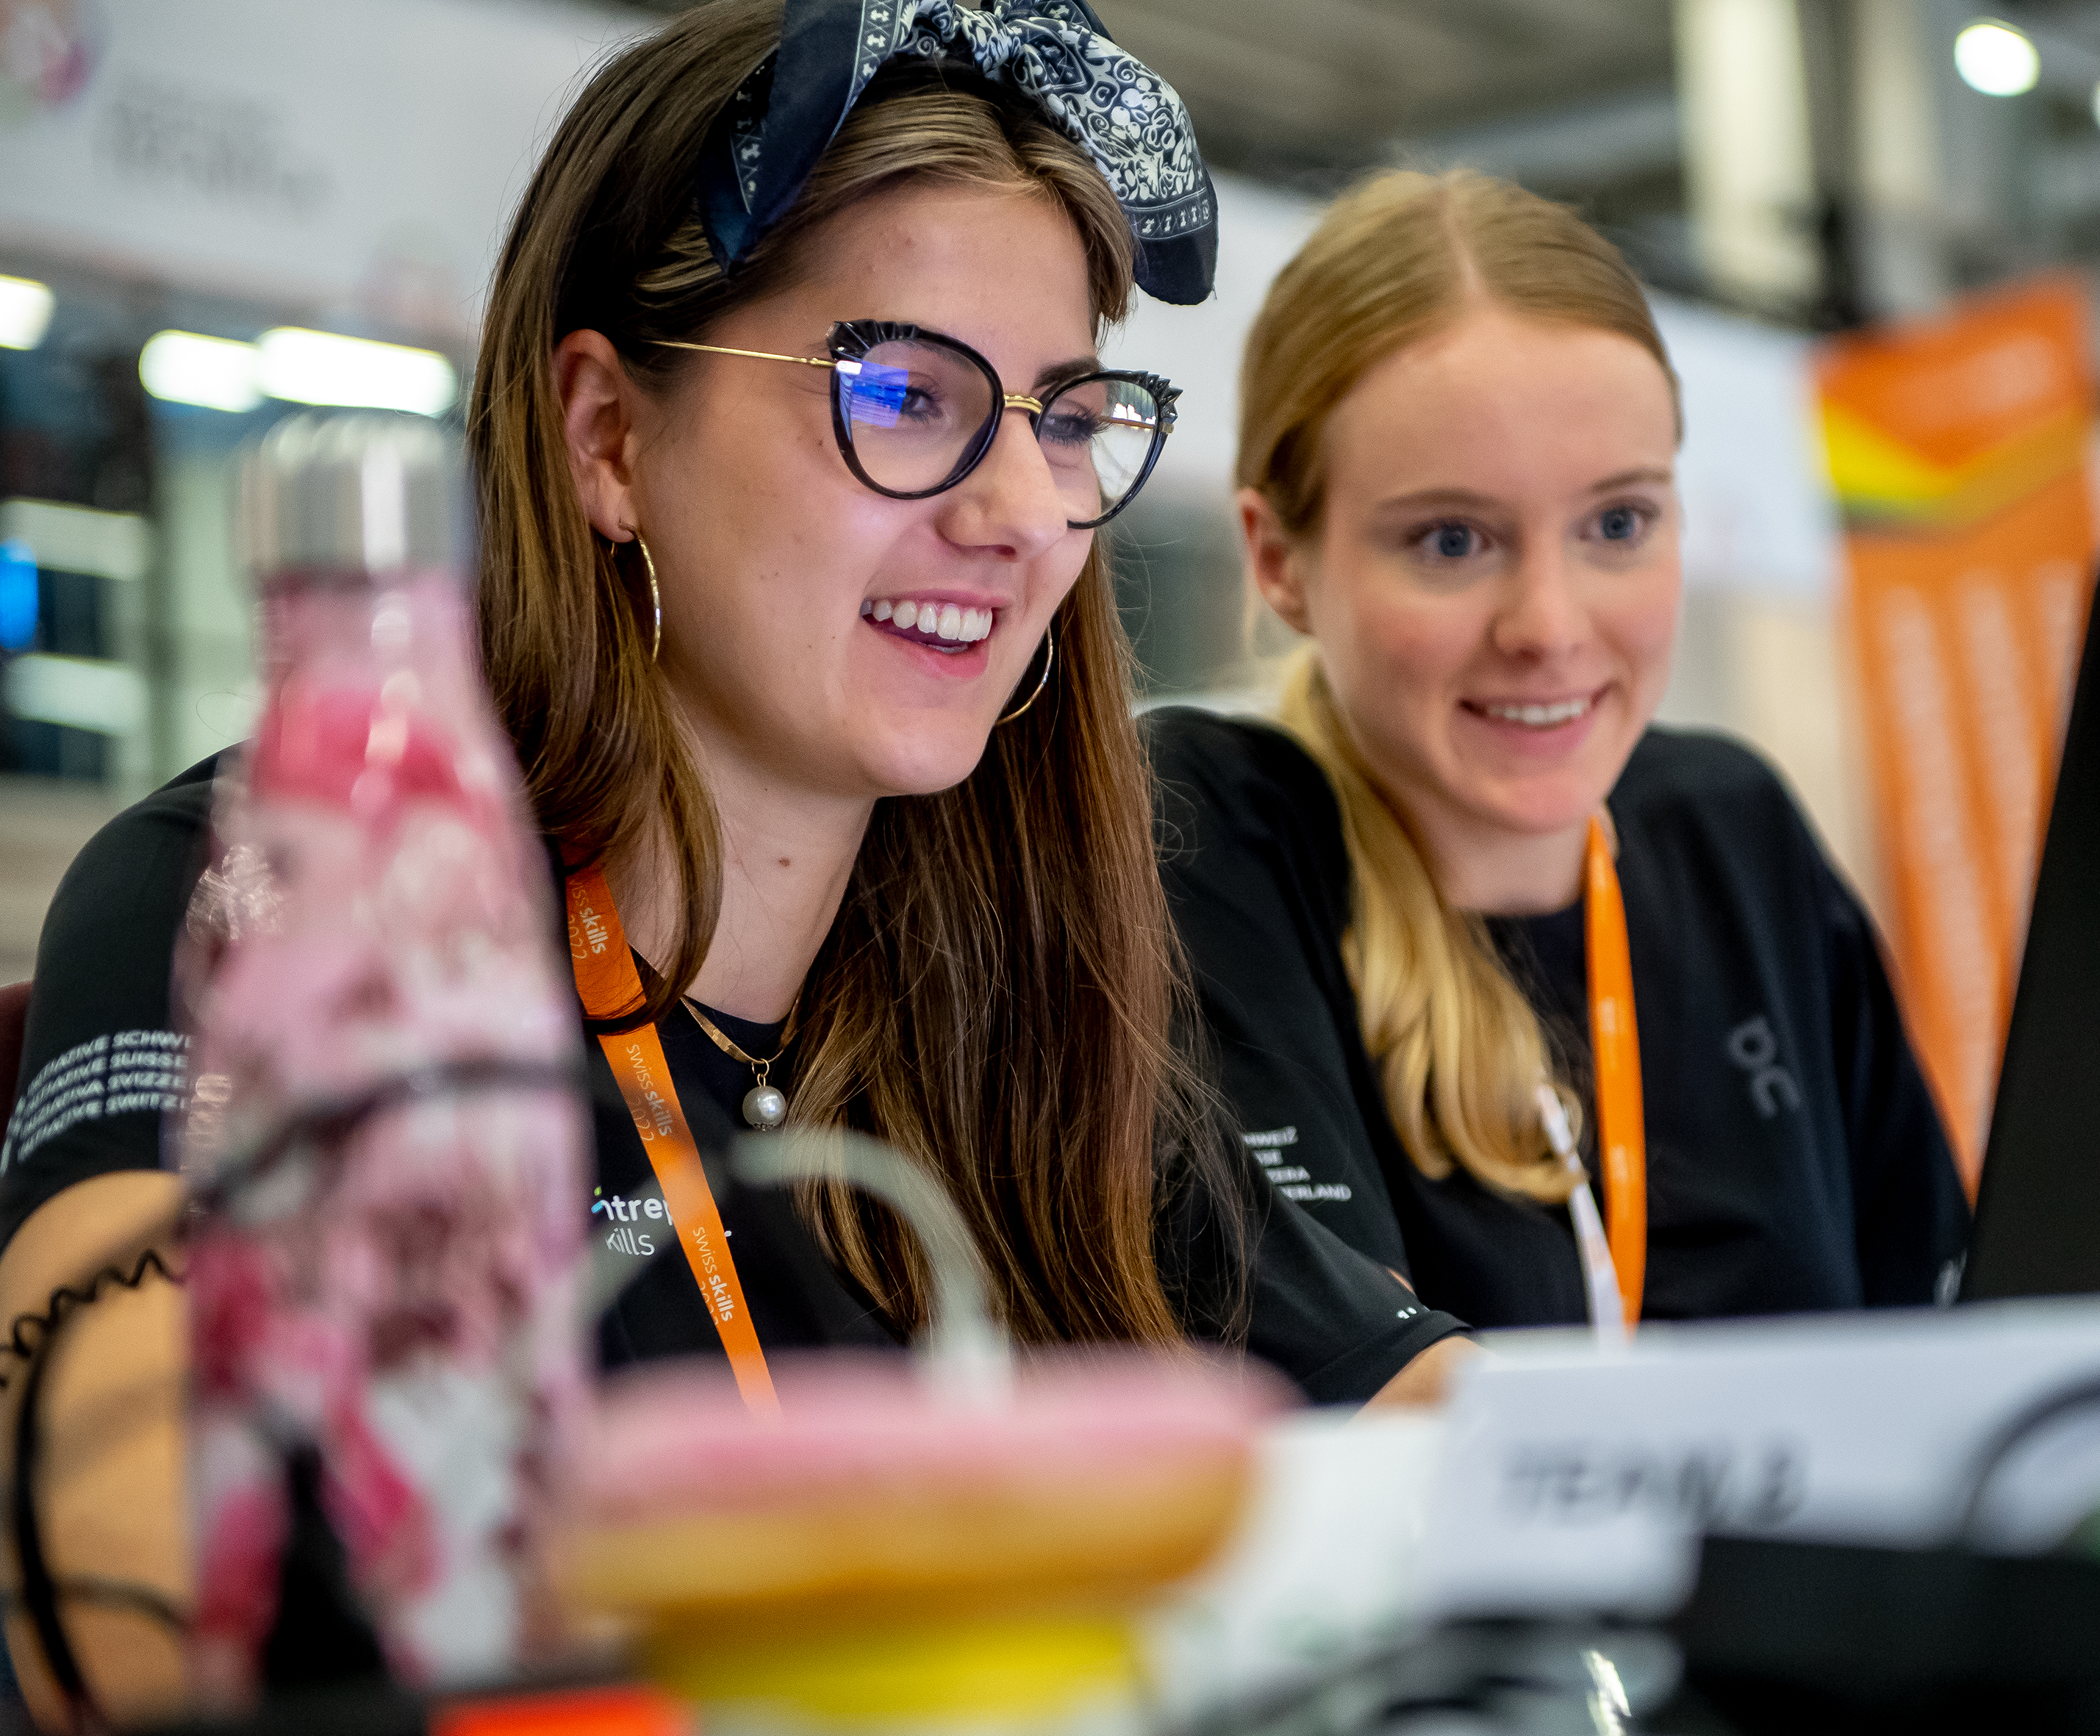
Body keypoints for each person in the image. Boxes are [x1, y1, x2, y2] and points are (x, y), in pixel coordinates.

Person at [0, 6, 1465, 1717]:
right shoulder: (275, 900)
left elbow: (1437, 1431)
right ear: (609, 436)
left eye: (1066, 416)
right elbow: (112, 1572)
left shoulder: (1018, 1009)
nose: (1013, 510)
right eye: (905, 393)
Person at [1147, 169, 1969, 1337]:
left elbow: (1938, 1332)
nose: (1549, 624)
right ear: (1279, 560)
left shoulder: (1731, 830)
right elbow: (1327, 1392)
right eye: (1452, 539)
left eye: (1617, 524)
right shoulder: (1205, 836)